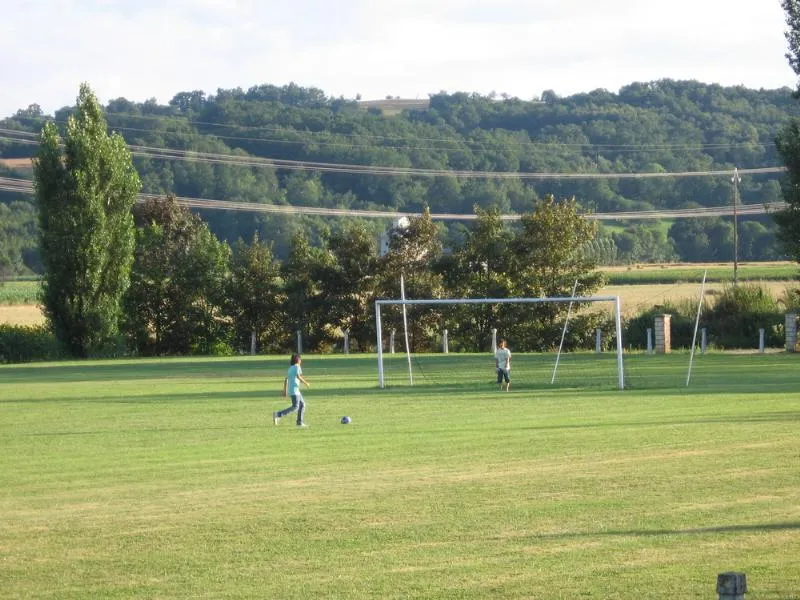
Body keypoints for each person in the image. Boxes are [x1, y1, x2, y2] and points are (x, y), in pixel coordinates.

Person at [274, 353, 310, 427]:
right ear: (298, 360)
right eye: (300, 359)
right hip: (295, 390)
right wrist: (306, 383)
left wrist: (285, 390)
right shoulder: (297, 367)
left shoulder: (290, 368)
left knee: (302, 404)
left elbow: (287, 379)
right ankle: (278, 414)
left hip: (294, 390)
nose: (301, 361)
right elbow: (298, 376)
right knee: (295, 407)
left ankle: (299, 422)